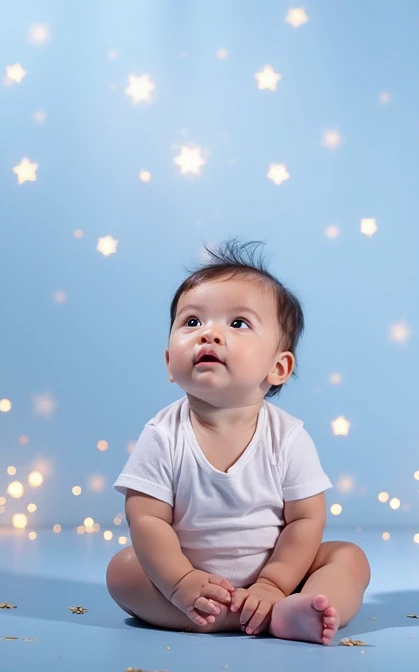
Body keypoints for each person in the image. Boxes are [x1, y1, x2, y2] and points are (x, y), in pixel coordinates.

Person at [106, 238, 371, 645]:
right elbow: (146, 519)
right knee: (123, 571)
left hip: (281, 575)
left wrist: (274, 584)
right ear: (169, 364)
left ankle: (298, 606)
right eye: (192, 322)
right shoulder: (163, 435)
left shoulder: (288, 437)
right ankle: (251, 618)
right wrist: (181, 582)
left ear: (278, 367)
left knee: (348, 558)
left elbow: (305, 520)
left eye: (237, 323)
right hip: (192, 577)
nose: (208, 335)